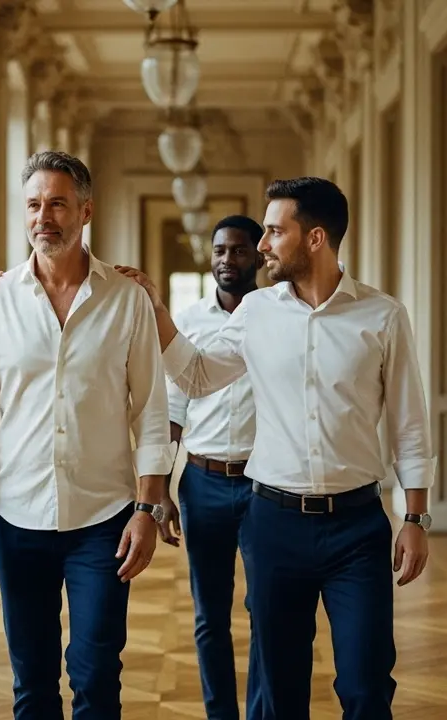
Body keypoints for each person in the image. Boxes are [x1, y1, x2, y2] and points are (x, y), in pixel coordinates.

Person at [116, 177, 435, 720]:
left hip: (357, 528)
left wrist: (417, 517)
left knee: (365, 685)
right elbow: (196, 376)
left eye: (272, 231)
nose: (261, 245)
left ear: (314, 238)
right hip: (274, 523)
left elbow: (410, 423)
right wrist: (157, 309)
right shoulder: (257, 311)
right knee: (280, 689)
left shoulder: (383, 317)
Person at [0, 150, 174, 720]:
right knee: (31, 677)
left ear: (85, 211)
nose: (43, 216)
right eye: (33, 204)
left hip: (106, 519)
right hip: (16, 516)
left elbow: (151, 413)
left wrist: (147, 510)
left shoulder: (127, 301)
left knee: (97, 671)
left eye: (56, 203)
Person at [163, 215, 264, 720]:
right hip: (202, 483)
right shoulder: (189, 320)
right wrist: (159, 487)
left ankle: (262, 711)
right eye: (221, 250)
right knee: (210, 616)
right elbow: (174, 409)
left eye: (240, 250)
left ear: (259, 256)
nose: (228, 260)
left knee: (264, 611)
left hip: (266, 485)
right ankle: (220, 713)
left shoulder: (276, 315)